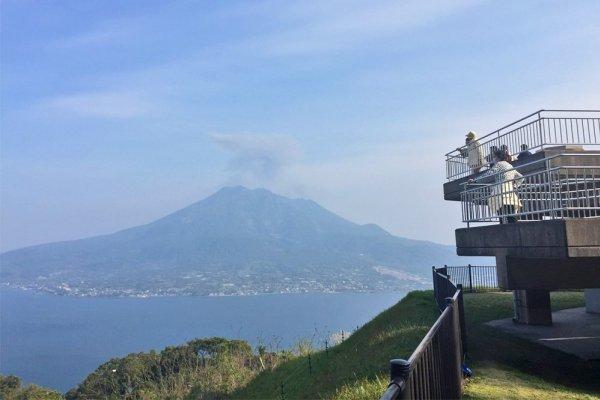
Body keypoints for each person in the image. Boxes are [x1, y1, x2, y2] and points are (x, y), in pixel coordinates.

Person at [483, 149, 524, 223]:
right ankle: (513, 225)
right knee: (510, 211)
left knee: (501, 211)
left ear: (497, 158)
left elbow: (488, 174)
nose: (493, 159)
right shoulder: (509, 165)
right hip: (510, 190)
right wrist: (515, 185)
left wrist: (475, 180)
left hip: (500, 189)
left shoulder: (499, 164)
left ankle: (503, 224)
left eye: (494, 157)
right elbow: (521, 177)